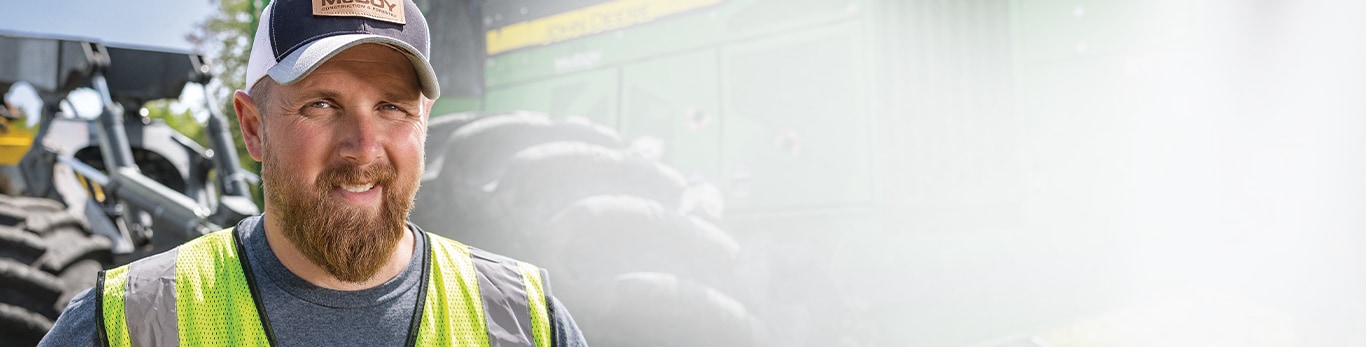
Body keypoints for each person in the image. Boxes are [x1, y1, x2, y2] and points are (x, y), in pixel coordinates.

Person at [39, 0, 586, 345]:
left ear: (423, 124)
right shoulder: (131, 320)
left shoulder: (523, 319)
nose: (362, 147)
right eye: (321, 105)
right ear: (253, 128)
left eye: (392, 107)